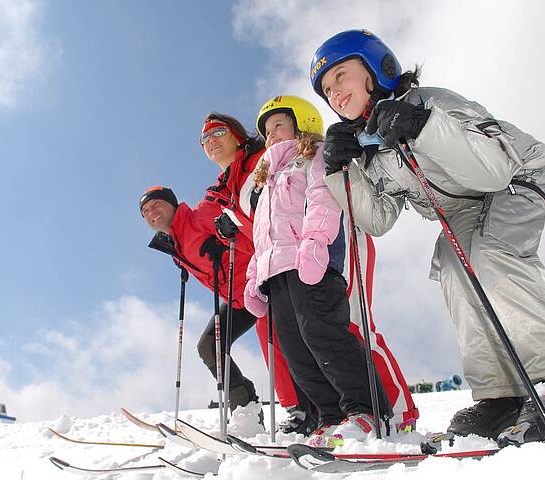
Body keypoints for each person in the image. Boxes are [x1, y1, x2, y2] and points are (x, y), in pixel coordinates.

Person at [309, 29, 545, 446]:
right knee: (455, 268)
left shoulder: (430, 102)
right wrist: (340, 170)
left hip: (517, 176)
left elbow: (493, 170)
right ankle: (501, 395)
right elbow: (377, 219)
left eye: (341, 75)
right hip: (463, 209)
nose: (334, 92)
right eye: (326, 89)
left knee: (490, 254)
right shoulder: (370, 150)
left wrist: (421, 126)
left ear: (378, 70)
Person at [254, 95, 419, 433]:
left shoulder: (311, 156)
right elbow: (261, 233)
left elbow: (323, 197)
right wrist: (252, 275)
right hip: (276, 274)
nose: (270, 136)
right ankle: (332, 418)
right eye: (266, 131)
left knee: (323, 334)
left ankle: (369, 412)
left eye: (278, 126)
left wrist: (316, 241)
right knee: (295, 349)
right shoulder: (266, 180)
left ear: (303, 124)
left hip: (310, 261)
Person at [198, 113, 318, 434]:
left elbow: (275, 207)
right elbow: (196, 225)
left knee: (288, 334)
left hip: (285, 260)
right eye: (204, 138)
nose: (210, 140)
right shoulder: (218, 191)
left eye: (218, 132)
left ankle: (311, 410)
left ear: (238, 135)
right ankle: (259, 410)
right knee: (215, 343)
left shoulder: (259, 162)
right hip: (250, 278)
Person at [140, 186, 262, 416]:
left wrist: (228, 239)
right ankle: (246, 410)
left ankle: (315, 412)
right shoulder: (175, 245)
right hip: (238, 301)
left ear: (172, 204)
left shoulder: (201, 214)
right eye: (145, 211)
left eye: (156, 204)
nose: (151, 212)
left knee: (288, 348)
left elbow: (251, 238)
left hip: (261, 286)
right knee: (209, 346)